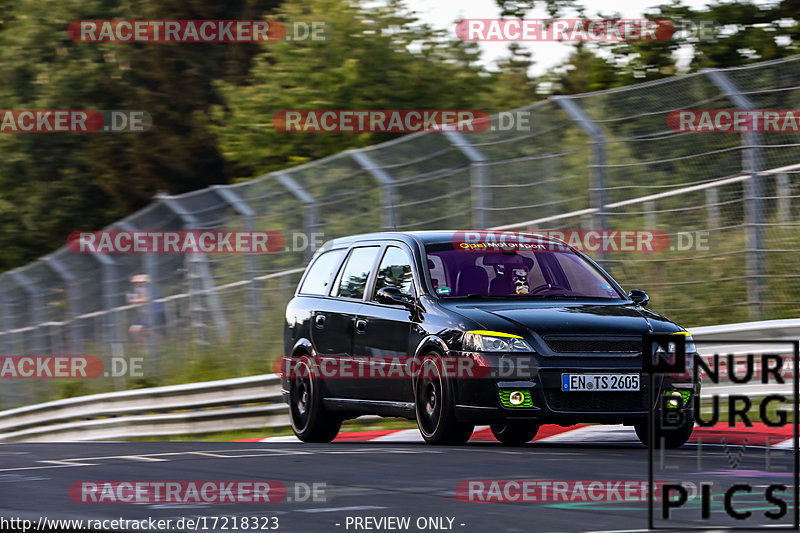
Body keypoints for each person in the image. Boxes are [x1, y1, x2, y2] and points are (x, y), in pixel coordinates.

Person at [127, 274, 166, 342]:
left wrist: (136, 300)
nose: (137, 284)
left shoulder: (151, 288)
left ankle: (161, 340)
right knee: (133, 330)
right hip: (143, 313)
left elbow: (147, 299)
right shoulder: (135, 290)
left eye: (140, 282)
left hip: (155, 313)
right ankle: (142, 347)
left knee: (146, 330)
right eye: (136, 282)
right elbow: (130, 300)